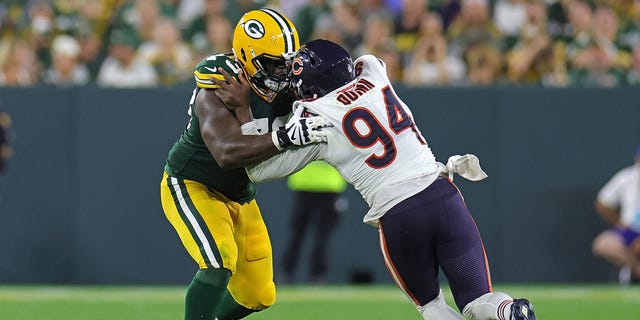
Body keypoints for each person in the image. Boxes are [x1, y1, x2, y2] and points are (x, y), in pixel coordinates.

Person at [244, 39, 536, 320]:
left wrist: (277, 127)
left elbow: (257, 171)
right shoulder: (374, 73)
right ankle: (508, 311)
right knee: (476, 302)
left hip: (399, 213)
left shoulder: (316, 118)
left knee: (432, 306)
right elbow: (368, 61)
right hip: (443, 193)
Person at [159, 9, 329, 320]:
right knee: (218, 263)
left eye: (288, 64)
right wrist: (285, 137)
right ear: (248, 58)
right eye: (273, 63)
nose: (282, 72)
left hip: (240, 194)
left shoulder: (286, 88)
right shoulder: (218, 84)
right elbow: (226, 153)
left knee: (259, 295)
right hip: (194, 184)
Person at [281, 161, 347, 283]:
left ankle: (288, 273)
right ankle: (316, 275)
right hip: (327, 186)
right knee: (319, 235)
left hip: (308, 185)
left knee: (301, 234)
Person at [592, 145, 640, 285]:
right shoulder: (626, 177)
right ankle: (634, 270)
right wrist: (618, 222)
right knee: (603, 244)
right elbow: (602, 202)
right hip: (629, 231)